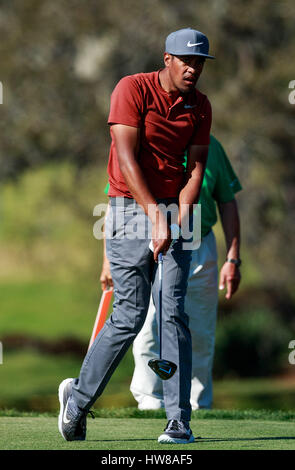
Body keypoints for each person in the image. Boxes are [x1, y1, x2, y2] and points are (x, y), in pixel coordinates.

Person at [58, 27, 215, 444]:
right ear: (167, 58)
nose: (193, 69)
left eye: (199, 62)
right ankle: (78, 398)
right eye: (186, 60)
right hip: (129, 208)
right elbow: (126, 159)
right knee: (129, 316)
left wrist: (180, 212)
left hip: (176, 207)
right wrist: (154, 217)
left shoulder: (200, 106)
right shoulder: (132, 89)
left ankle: (178, 420)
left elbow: (196, 167)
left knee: (174, 314)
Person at [129, 135, 242, 410]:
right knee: (149, 329)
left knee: (200, 333)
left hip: (200, 245)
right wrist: (109, 260)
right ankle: (150, 402)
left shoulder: (211, 146)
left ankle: (197, 404)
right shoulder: (146, 141)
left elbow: (227, 201)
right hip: (154, 243)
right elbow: (117, 198)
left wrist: (233, 258)